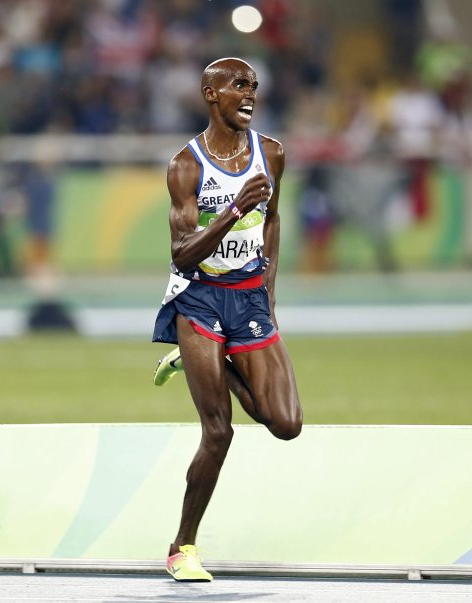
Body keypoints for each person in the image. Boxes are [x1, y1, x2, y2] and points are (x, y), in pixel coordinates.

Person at [151, 58, 302, 582]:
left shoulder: (273, 154)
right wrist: (235, 210)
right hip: (200, 299)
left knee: (285, 424)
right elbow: (182, 254)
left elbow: (274, 220)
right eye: (238, 85)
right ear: (210, 94)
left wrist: (269, 292)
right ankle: (182, 547)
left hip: (249, 298)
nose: (249, 94)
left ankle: (207, 364)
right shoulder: (185, 165)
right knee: (219, 432)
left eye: (254, 86)